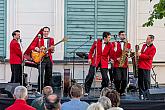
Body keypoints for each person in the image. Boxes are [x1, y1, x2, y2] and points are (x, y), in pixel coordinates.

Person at [30, 27, 54, 92]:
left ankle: (48, 90)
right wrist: (36, 48)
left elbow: (52, 51)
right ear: (42, 32)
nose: (46, 33)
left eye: (47, 31)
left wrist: (52, 49)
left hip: (48, 58)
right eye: (45, 31)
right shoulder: (38, 39)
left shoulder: (51, 39)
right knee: (41, 74)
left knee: (49, 75)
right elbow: (31, 47)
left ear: (49, 32)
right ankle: (40, 90)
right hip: (41, 59)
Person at [111, 31, 131, 96]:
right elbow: (111, 53)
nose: (124, 36)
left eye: (124, 35)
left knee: (125, 79)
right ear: (119, 36)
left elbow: (129, 54)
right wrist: (116, 59)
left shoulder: (128, 44)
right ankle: (117, 91)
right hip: (117, 63)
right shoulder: (114, 43)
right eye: (122, 35)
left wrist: (128, 52)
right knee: (117, 79)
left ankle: (122, 91)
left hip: (125, 64)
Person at [137, 35, 156, 99]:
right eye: (146, 38)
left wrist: (141, 55)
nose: (146, 40)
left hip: (146, 66)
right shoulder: (144, 45)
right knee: (140, 80)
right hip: (140, 65)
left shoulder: (153, 48)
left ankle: (147, 94)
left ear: (151, 40)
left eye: (148, 39)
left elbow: (149, 57)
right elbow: (142, 53)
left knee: (146, 81)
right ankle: (141, 93)